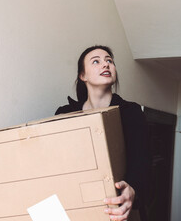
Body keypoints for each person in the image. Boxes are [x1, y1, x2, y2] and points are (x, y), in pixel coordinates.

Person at [55, 45, 151, 221]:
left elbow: (142, 160)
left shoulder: (131, 112)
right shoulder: (64, 114)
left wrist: (133, 189)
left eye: (109, 61)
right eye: (96, 61)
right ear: (82, 75)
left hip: (116, 208)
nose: (106, 65)